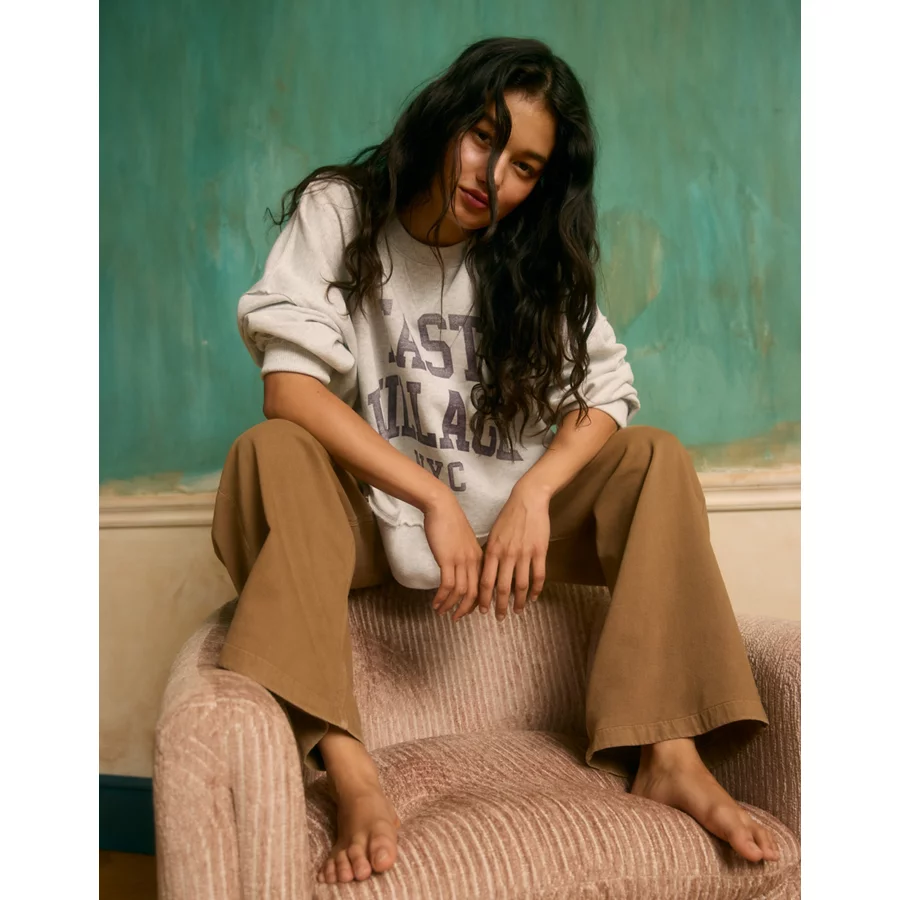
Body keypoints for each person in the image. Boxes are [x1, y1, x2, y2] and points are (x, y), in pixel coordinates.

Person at [212, 36, 781, 887]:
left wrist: (535, 494)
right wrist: (431, 499)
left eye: (524, 167)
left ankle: (668, 751)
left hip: (515, 538)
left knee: (653, 459)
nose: (492, 176)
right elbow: (288, 389)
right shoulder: (343, 210)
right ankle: (348, 764)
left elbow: (610, 390)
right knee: (270, 453)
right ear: (448, 117)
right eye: (484, 136)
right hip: (374, 523)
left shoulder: (531, 256)